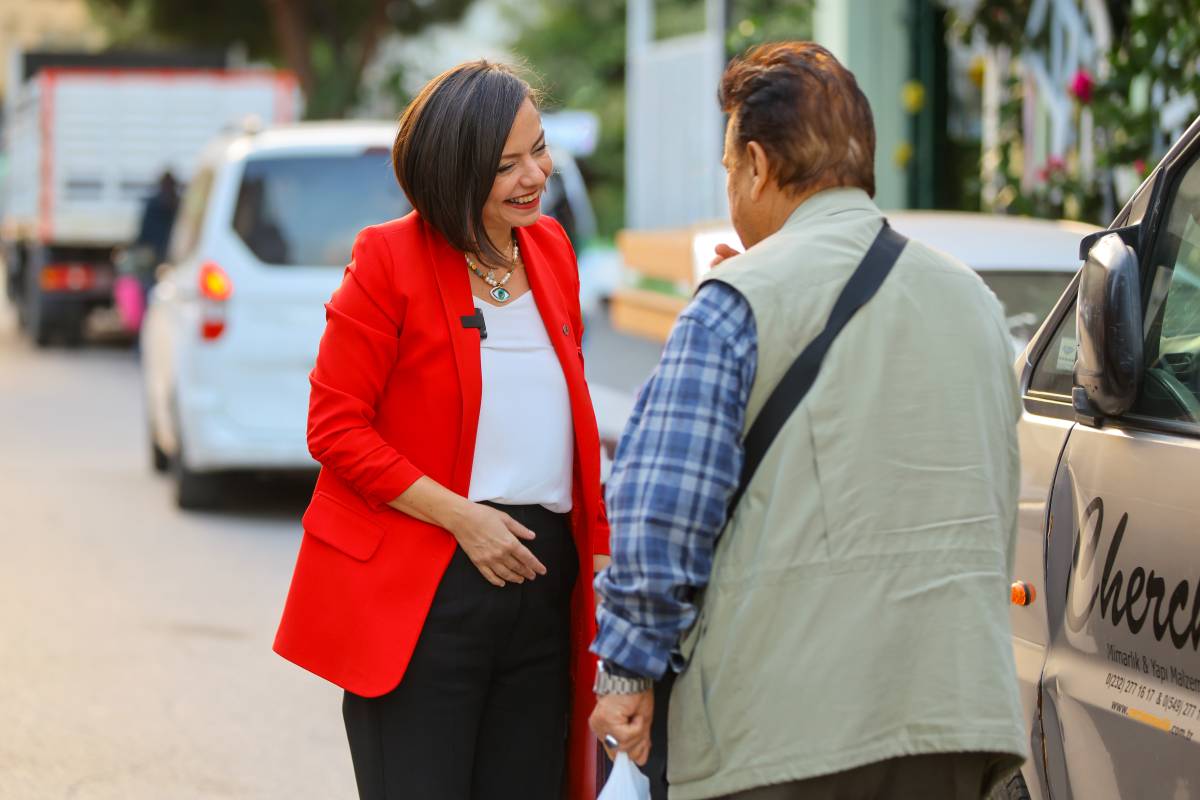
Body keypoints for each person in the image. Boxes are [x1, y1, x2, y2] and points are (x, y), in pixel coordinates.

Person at [589, 42, 1026, 800]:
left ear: (757, 165)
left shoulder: (735, 304)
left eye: (729, 168)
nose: (731, 186)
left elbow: (661, 513)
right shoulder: (975, 303)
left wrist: (627, 671)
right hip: (956, 717)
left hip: (786, 731)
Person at [273, 61, 610, 800]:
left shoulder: (552, 249)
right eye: (506, 165)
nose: (534, 175)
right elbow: (334, 426)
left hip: (545, 581)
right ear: (455, 171)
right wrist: (463, 518)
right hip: (428, 585)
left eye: (539, 150)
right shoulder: (388, 258)